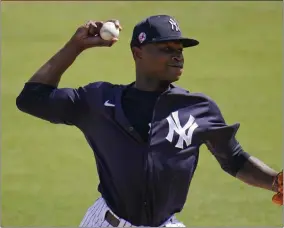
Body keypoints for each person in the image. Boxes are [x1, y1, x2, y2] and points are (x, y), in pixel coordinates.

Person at [16, 15, 282, 227]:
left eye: (179, 49)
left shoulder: (199, 109)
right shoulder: (98, 100)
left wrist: (275, 181)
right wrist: (76, 46)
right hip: (106, 222)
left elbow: (233, 158)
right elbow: (31, 98)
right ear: (137, 53)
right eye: (166, 48)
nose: (177, 55)